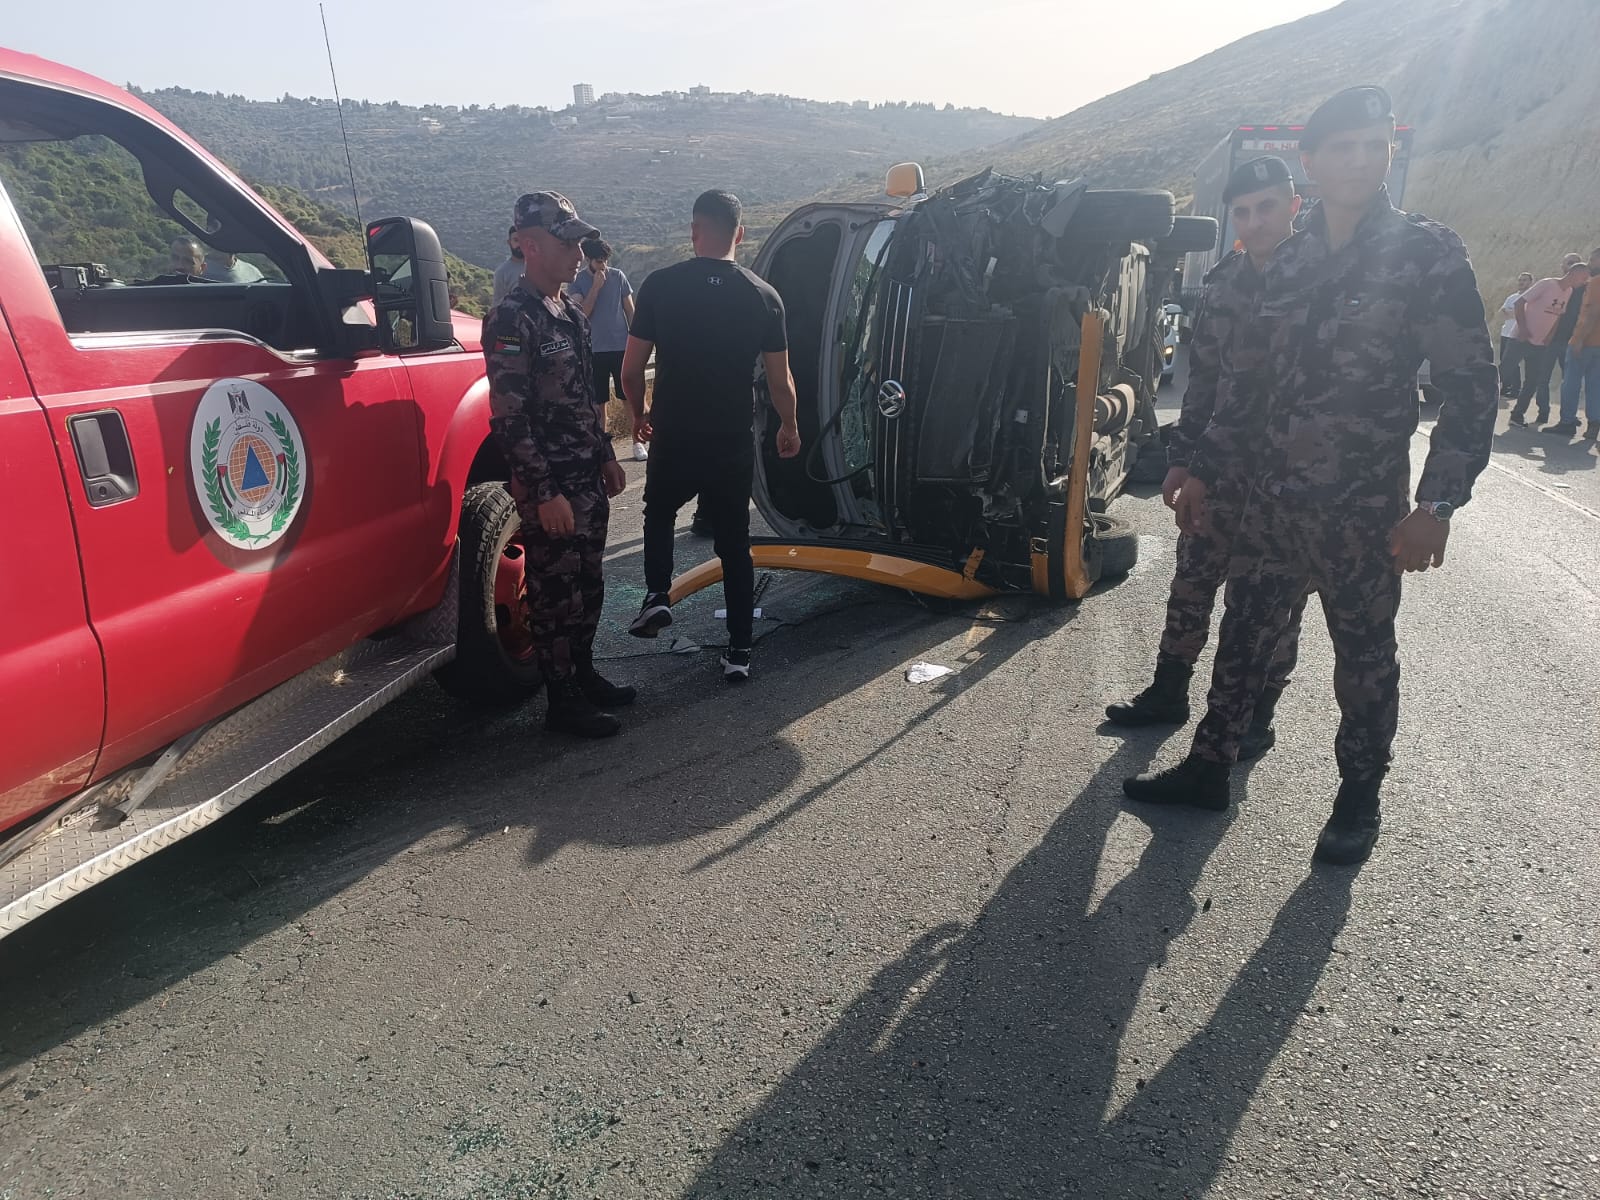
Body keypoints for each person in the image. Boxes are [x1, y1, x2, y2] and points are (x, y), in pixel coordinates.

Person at [1124, 86, 1498, 867]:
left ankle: (1358, 798)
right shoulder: (1287, 262)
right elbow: (1248, 384)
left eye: (1374, 145)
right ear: (1312, 162)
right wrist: (1202, 467)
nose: (1360, 161)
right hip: (1270, 499)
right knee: (1244, 635)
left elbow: (1470, 385)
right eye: (1342, 148)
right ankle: (1208, 767)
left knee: (1363, 658)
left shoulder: (1425, 252)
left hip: (1363, 511)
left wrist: (1436, 504)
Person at [1105, 155, 1307, 760]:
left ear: (1294, 206)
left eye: (1267, 207)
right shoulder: (1225, 283)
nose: (1256, 221)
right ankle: (1169, 690)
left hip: (1287, 474)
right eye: (1243, 212)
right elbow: (1205, 381)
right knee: (1192, 578)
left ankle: (1258, 715)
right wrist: (1181, 457)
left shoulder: (1322, 279)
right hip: (1218, 465)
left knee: (1277, 603)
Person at [620, 189, 802, 682]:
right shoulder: (764, 296)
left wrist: (638, 414)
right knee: (733, 544)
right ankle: (739, 652)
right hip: (730, 438)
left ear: (694, 231)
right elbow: (780, 380)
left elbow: (631, 370)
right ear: (740, 233)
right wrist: (789, 425)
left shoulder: (660, 286)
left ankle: (657, 595)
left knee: (659, 511)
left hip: (675, 431)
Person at [483, 192, 632, 738]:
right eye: (566, 243)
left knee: (588, 582)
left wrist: (606, 454)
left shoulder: (569, 312)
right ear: (529, 245)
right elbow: (510, 418)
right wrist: (544, 492)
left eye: (578, 243)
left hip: (586, 475)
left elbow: (586, 396)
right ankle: (562, 700)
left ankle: (583, 674)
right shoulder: (511, 318)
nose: (577, 253)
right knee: (553, 594)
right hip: (552, 485)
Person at [568, 238, 643, 460]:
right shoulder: (578, 281)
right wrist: (596, 287)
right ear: (588, 260)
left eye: (606, 260)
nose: (604, 265)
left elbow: (630, 310)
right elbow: (581, 313)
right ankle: (603, 448)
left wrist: (637, 340)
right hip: (593, 349)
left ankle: (637, 442)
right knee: (599, 402)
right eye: (599, 261)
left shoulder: (618, 276)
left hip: (621, 347)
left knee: (627, 397)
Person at [1509, 259, 1590, 427]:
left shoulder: (1575, 291)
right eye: (1583, 278)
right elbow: (1521, 303)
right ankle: (1542, 413)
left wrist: (1556, 336)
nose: (1584, 281)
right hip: (1535, 339)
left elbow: (1563, 315)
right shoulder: (1550, 285)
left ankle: (1521, 414)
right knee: (1519, 375)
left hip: (1556, 342)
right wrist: (1525, 329)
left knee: (1544, 380)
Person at [1552, 246, 1600, 439]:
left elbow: (1592, 312)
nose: (1589, 263)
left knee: (1571, 383)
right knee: (1595, 385)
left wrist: (1579, 339)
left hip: (1586, 341)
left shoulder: (1596, 282)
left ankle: (1567, 422)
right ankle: (1594, 424)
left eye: (1593, 259)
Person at [1496, 272, 1535, 398]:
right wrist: (1516, 312)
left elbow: (1527, 315)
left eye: (1524, 280)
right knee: (1504, 361)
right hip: (1505, 333)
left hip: (1518, 334)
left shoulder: (1532, 298)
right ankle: (1505, 387)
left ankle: (1515, 389)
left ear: (1531, 282)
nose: (1521, 282)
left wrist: (1512, 312)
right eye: (1520, 280)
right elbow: (1502, 313)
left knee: (1514, 362)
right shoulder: (1512, 297)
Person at [491, 226, 524, 306]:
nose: (520, 244)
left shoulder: (538, 267)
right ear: (509, 242)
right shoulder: (502, 272)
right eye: (516, 240)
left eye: (523, 240)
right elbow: (497, 304)